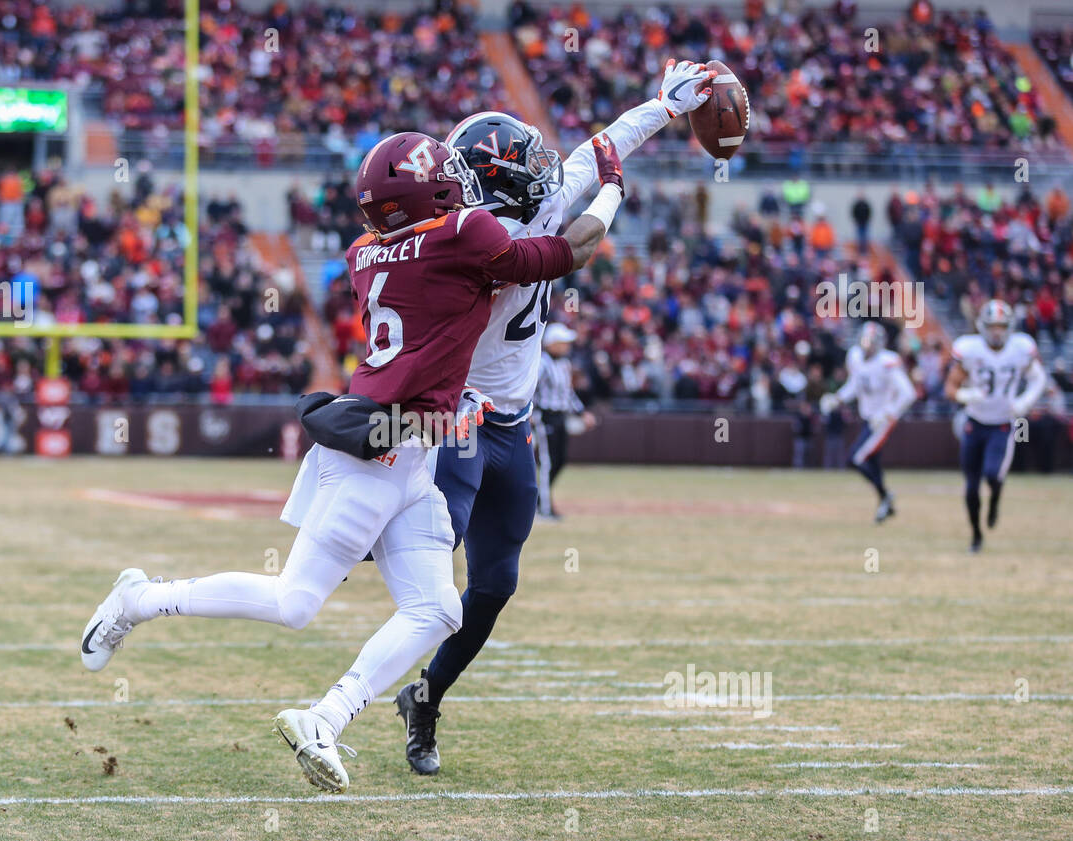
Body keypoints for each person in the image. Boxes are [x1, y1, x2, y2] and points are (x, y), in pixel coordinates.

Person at [78, 129, 626, 793]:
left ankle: (324, 719)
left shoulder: (366, 251)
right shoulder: (466, 235)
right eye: (446, 173)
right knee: (295, 603)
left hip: (408, 452)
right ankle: (140, 599)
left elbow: (433, 301)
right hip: (377, 450)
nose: (460, 181)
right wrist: (613, 187)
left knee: (438, 610)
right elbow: (571, 250)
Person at [393, 60, 715, 776]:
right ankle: (341, 703)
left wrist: (662, 105)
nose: (544, 171)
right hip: (460, 421)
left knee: (495, 587)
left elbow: (595, 150)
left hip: (515, 425)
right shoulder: (474, 244)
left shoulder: (524, 203)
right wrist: (615, 191)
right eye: (525, 164)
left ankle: (425, 699)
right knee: (433, 583)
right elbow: (582, 240)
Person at [944, 300, 1048, 551]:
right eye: (993, 326)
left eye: (1002, 326)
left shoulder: (1021, 348)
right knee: (970, 487)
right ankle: (976, 535)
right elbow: (950, 387)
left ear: (1010, 326)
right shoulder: (969, 349)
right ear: (983, 326)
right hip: (974, 422)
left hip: (1002, 424)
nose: (997, 331)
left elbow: (1038, 379)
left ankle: (995, 500)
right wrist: (965, 396)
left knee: (992, 474)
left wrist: (1024, 401)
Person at [820, 322, 916, 522]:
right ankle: (884, 501)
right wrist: (837, 398)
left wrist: (888, 412)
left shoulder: (887, 362)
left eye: (872, 342)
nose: (868, 345)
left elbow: (909, 393)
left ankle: (885, 496)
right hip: (867, 418)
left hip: (882, 421)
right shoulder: (855, 357)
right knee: (871, 461)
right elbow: (855, 384)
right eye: (865, 340)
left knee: (857, 458)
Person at [533, 323, 595, 516]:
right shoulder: (542, 363)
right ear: (552, 343)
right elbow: (529, 390)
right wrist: (531, 414)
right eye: (563, 342)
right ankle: (543, 508)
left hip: (560, 416)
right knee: (548, 462)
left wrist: (582, 412)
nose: (567, 345)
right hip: (545, 416)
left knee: (560, 460)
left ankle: (540, 499)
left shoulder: (564, 364)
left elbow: (568, 394)